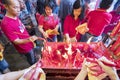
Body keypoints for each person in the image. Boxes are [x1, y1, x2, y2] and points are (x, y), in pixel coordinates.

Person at [1, 0, 38, 65]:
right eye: (15, 7)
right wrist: (29, 39)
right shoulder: (6, 24)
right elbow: (16, 41)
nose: (18, 10)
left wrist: (26, 27)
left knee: (34, 53)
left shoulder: (14, 15)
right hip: (25, 48)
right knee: (32, 60)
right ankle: (34, 66)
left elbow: (18, 26)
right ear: (6, 6)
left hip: (28, 42)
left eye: (19, 7)